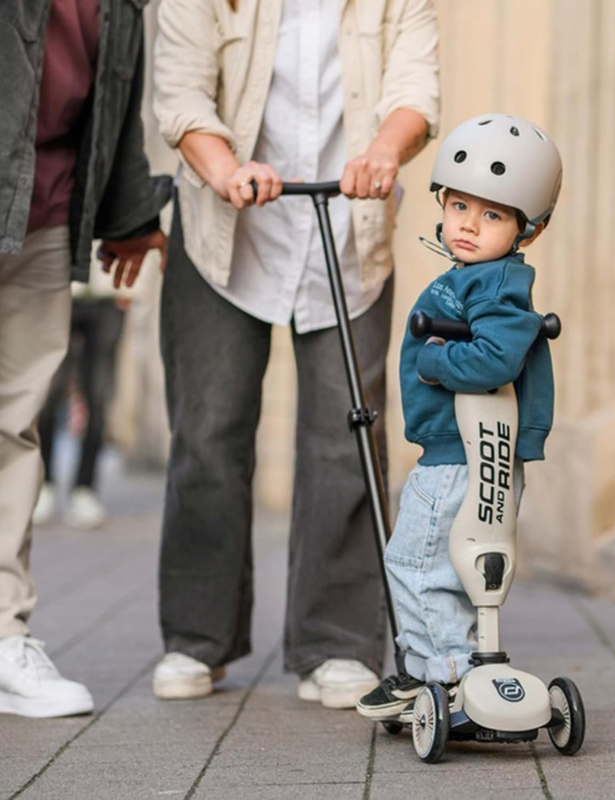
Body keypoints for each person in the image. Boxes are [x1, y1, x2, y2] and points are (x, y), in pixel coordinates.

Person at [151, 0, 440, 706]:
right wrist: (222, 169)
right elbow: (181, 92)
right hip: (227, 229)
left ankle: (336, 644)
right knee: (209, 435)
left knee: (348, 438)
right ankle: (197, 639)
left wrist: (383, 152)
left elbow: (416, 90)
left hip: (348, 230)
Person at [356, 114, 562, 719]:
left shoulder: (494, 285)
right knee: (467, 565)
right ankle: (460, 667)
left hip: (459, 456)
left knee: (420, 563)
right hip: (477, 452)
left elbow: (496, 357)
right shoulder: (482, 277)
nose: (470, 224)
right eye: (461, 206)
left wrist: (437, 358)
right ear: (441, 202)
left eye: (494, 215)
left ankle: (437, 676)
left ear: (531, 227)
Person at [0, 0, 169, 718]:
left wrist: (130, 212)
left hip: (41, 213)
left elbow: (119, 93)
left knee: (13, 425)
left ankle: (3, 637)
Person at [34, 282, 131, 530]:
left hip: (110, 291)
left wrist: (133, 289)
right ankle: (44, 484)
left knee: (98, 398)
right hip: (60, 287)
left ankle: (85, 490)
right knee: (47, 394)